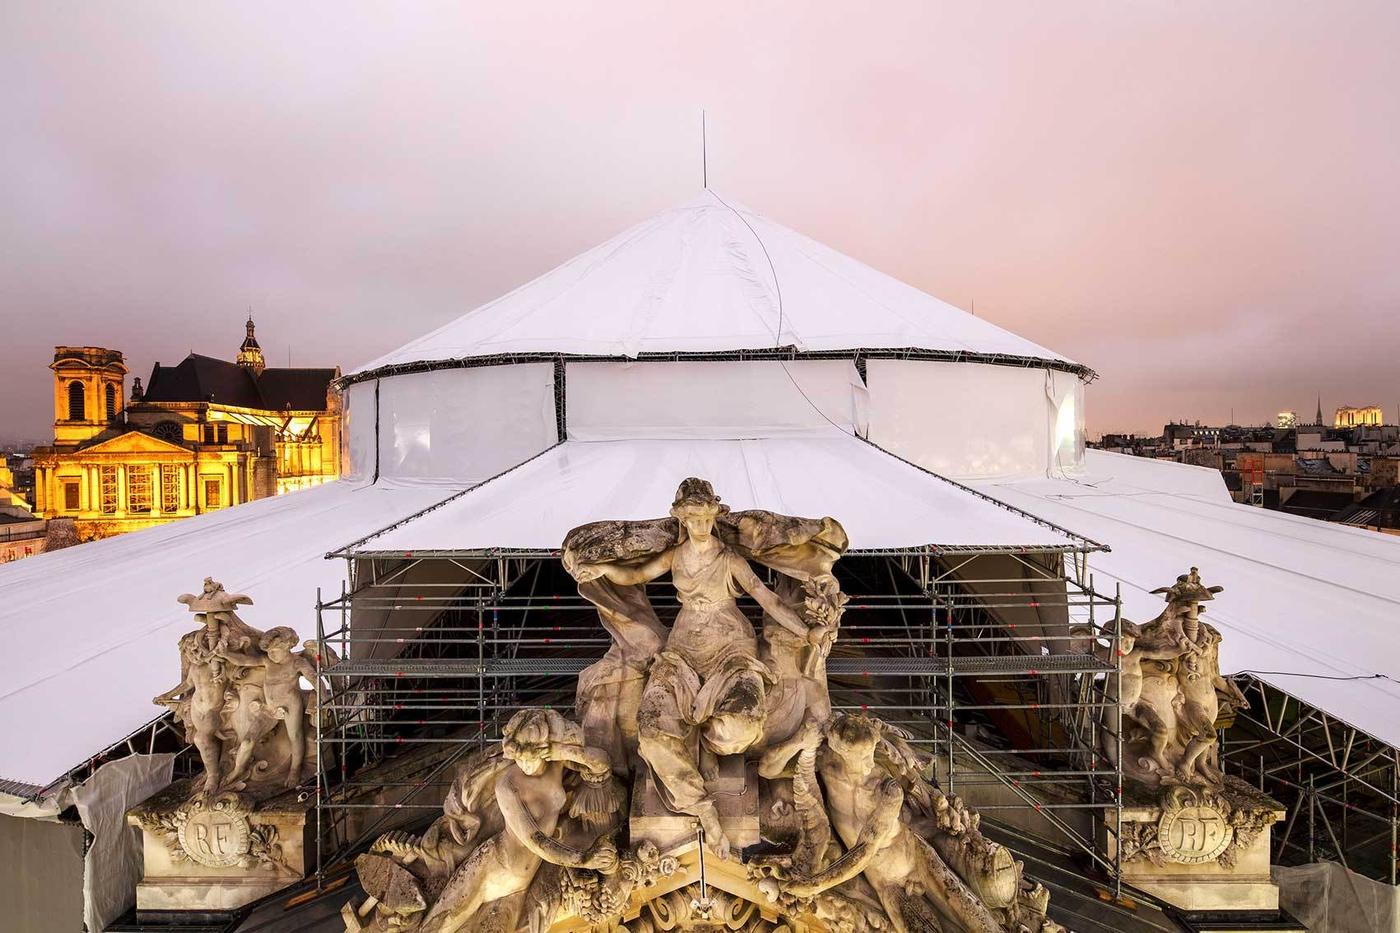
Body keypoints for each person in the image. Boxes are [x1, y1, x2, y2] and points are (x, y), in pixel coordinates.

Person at [571, 479, 820, 858]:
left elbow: (768, 600)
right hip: (683, 651)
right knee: (651, 734)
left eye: (706, 518)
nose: (700, 526)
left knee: (743, 725)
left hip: (731, 649)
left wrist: (807, 631)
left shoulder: (729, 560)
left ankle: (704, 741)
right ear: (681, 518)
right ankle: (702, 807)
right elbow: (635, 576)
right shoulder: (676, 556)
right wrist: (602, 569)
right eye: (692, 518)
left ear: (715, 515)